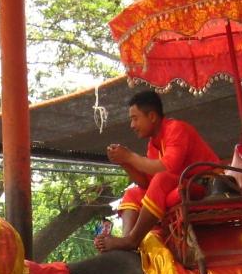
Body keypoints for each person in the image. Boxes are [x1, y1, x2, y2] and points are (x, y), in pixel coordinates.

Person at [93, 89, 220, 253]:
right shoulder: (153, 143)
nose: (132, 125)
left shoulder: (176, 129)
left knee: (162, 179)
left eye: (135, 118)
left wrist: (130, 156)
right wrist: (124, 162)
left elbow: (167, 168)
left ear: (152, 116)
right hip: (183, 184)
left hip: (207, 186)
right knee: (133, 193)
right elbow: (146, 183)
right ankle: (126, 242)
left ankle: (132, 240)